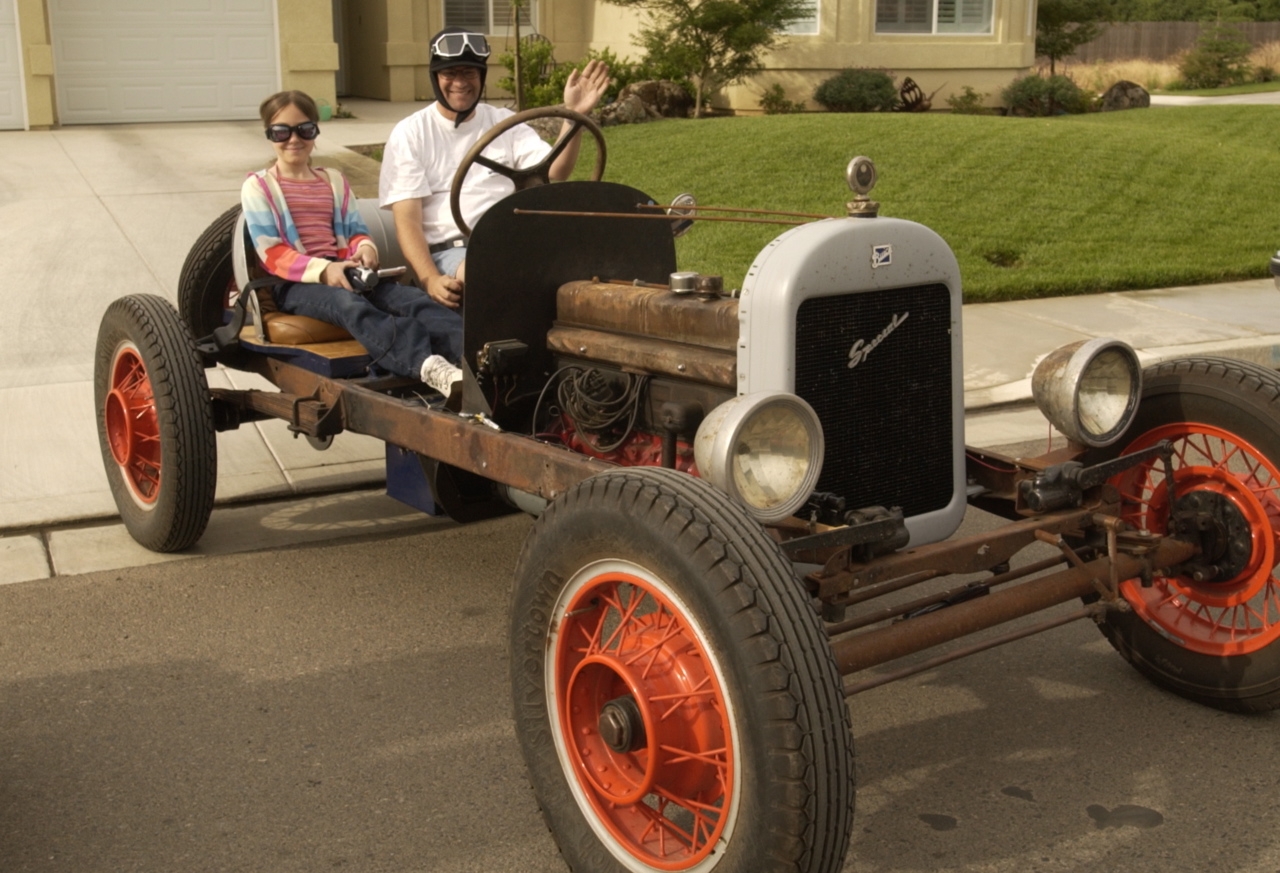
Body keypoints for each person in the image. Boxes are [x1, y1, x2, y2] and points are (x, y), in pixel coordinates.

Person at [242, 90, 464, 398]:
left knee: (411, 299)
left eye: (304, 130)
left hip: (346, 272)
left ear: (315, 132)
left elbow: (355, 230)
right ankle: (426, 365)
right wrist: (325, 270)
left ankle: (471, 357)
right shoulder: (259, 187)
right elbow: (272, 253)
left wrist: (365, 250)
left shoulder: (333, 180)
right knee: (349, 305)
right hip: (295, 284)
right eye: (282, 131)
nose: (294, 139)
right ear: (269, 134)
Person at [379, 27, 611, 311]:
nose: (460, 83)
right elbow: (408, 222)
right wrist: (429, 279)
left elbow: (553, 173)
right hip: (453, 252)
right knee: (493, 275)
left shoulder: (504, 123)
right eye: (449, 73)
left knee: (588, 266)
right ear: (435, 77)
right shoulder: (411, 133)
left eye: (469, 73)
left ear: (482, 77)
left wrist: (575, 115)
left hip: (511, 240)